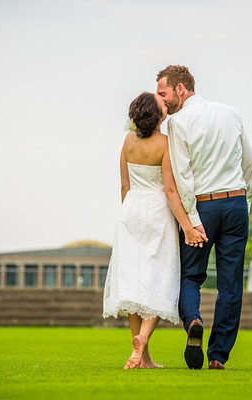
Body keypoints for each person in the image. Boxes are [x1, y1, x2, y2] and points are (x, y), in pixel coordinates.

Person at [156, 65, 252, 370]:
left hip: (203, 206)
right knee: (231, 284)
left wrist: (190, 219)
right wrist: (246, 201)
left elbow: (182, 174)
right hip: (236, 202)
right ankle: (218, 356)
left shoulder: (178, 122)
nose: (162, 100)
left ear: (180, 89)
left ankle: (194, 322)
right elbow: (249, 163)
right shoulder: (231, 112)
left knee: (190, 276)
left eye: (164, 93)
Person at [103, 92, 208, 369]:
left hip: (131, 210)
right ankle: (144, 339)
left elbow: (124, 186)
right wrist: (187, 227)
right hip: (157, 211)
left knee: (134, 281)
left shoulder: (127, 141)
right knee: (161, 277)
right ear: (160, 116)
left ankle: (142, 354)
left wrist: (129, 214)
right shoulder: (165, 143)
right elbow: (171, 190)